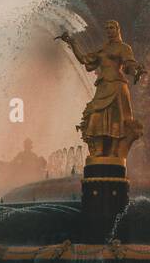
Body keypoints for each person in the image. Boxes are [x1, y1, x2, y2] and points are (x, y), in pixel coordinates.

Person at [58, 20, 144, 161]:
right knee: (95, 115)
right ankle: (99, 150)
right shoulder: (103, 49)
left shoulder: (124, 48)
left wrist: (136, 72)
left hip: (117, 86)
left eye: (111, 28)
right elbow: (84, 59)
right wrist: (72, 42)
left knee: (116, 119)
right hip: (103, 86)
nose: (109, 30)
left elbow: (129, 65)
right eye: (107, 28)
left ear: (117, 29)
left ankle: (113, 152)